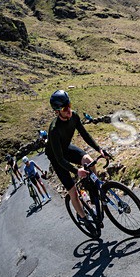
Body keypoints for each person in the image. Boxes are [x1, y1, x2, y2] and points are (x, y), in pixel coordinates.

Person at [45, 90, 110, 223]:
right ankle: (83, 217)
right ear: (57, 111)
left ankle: (94, 197)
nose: (69, 109)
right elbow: (60, 159)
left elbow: (85, 134)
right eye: (64, 108)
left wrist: (99, 149)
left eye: (69, 104)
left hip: (67, 148)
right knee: (73, 191)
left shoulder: (74, 116)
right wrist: (76, 171)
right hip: (57, 157)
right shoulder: (54, 130)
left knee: (89, 161)